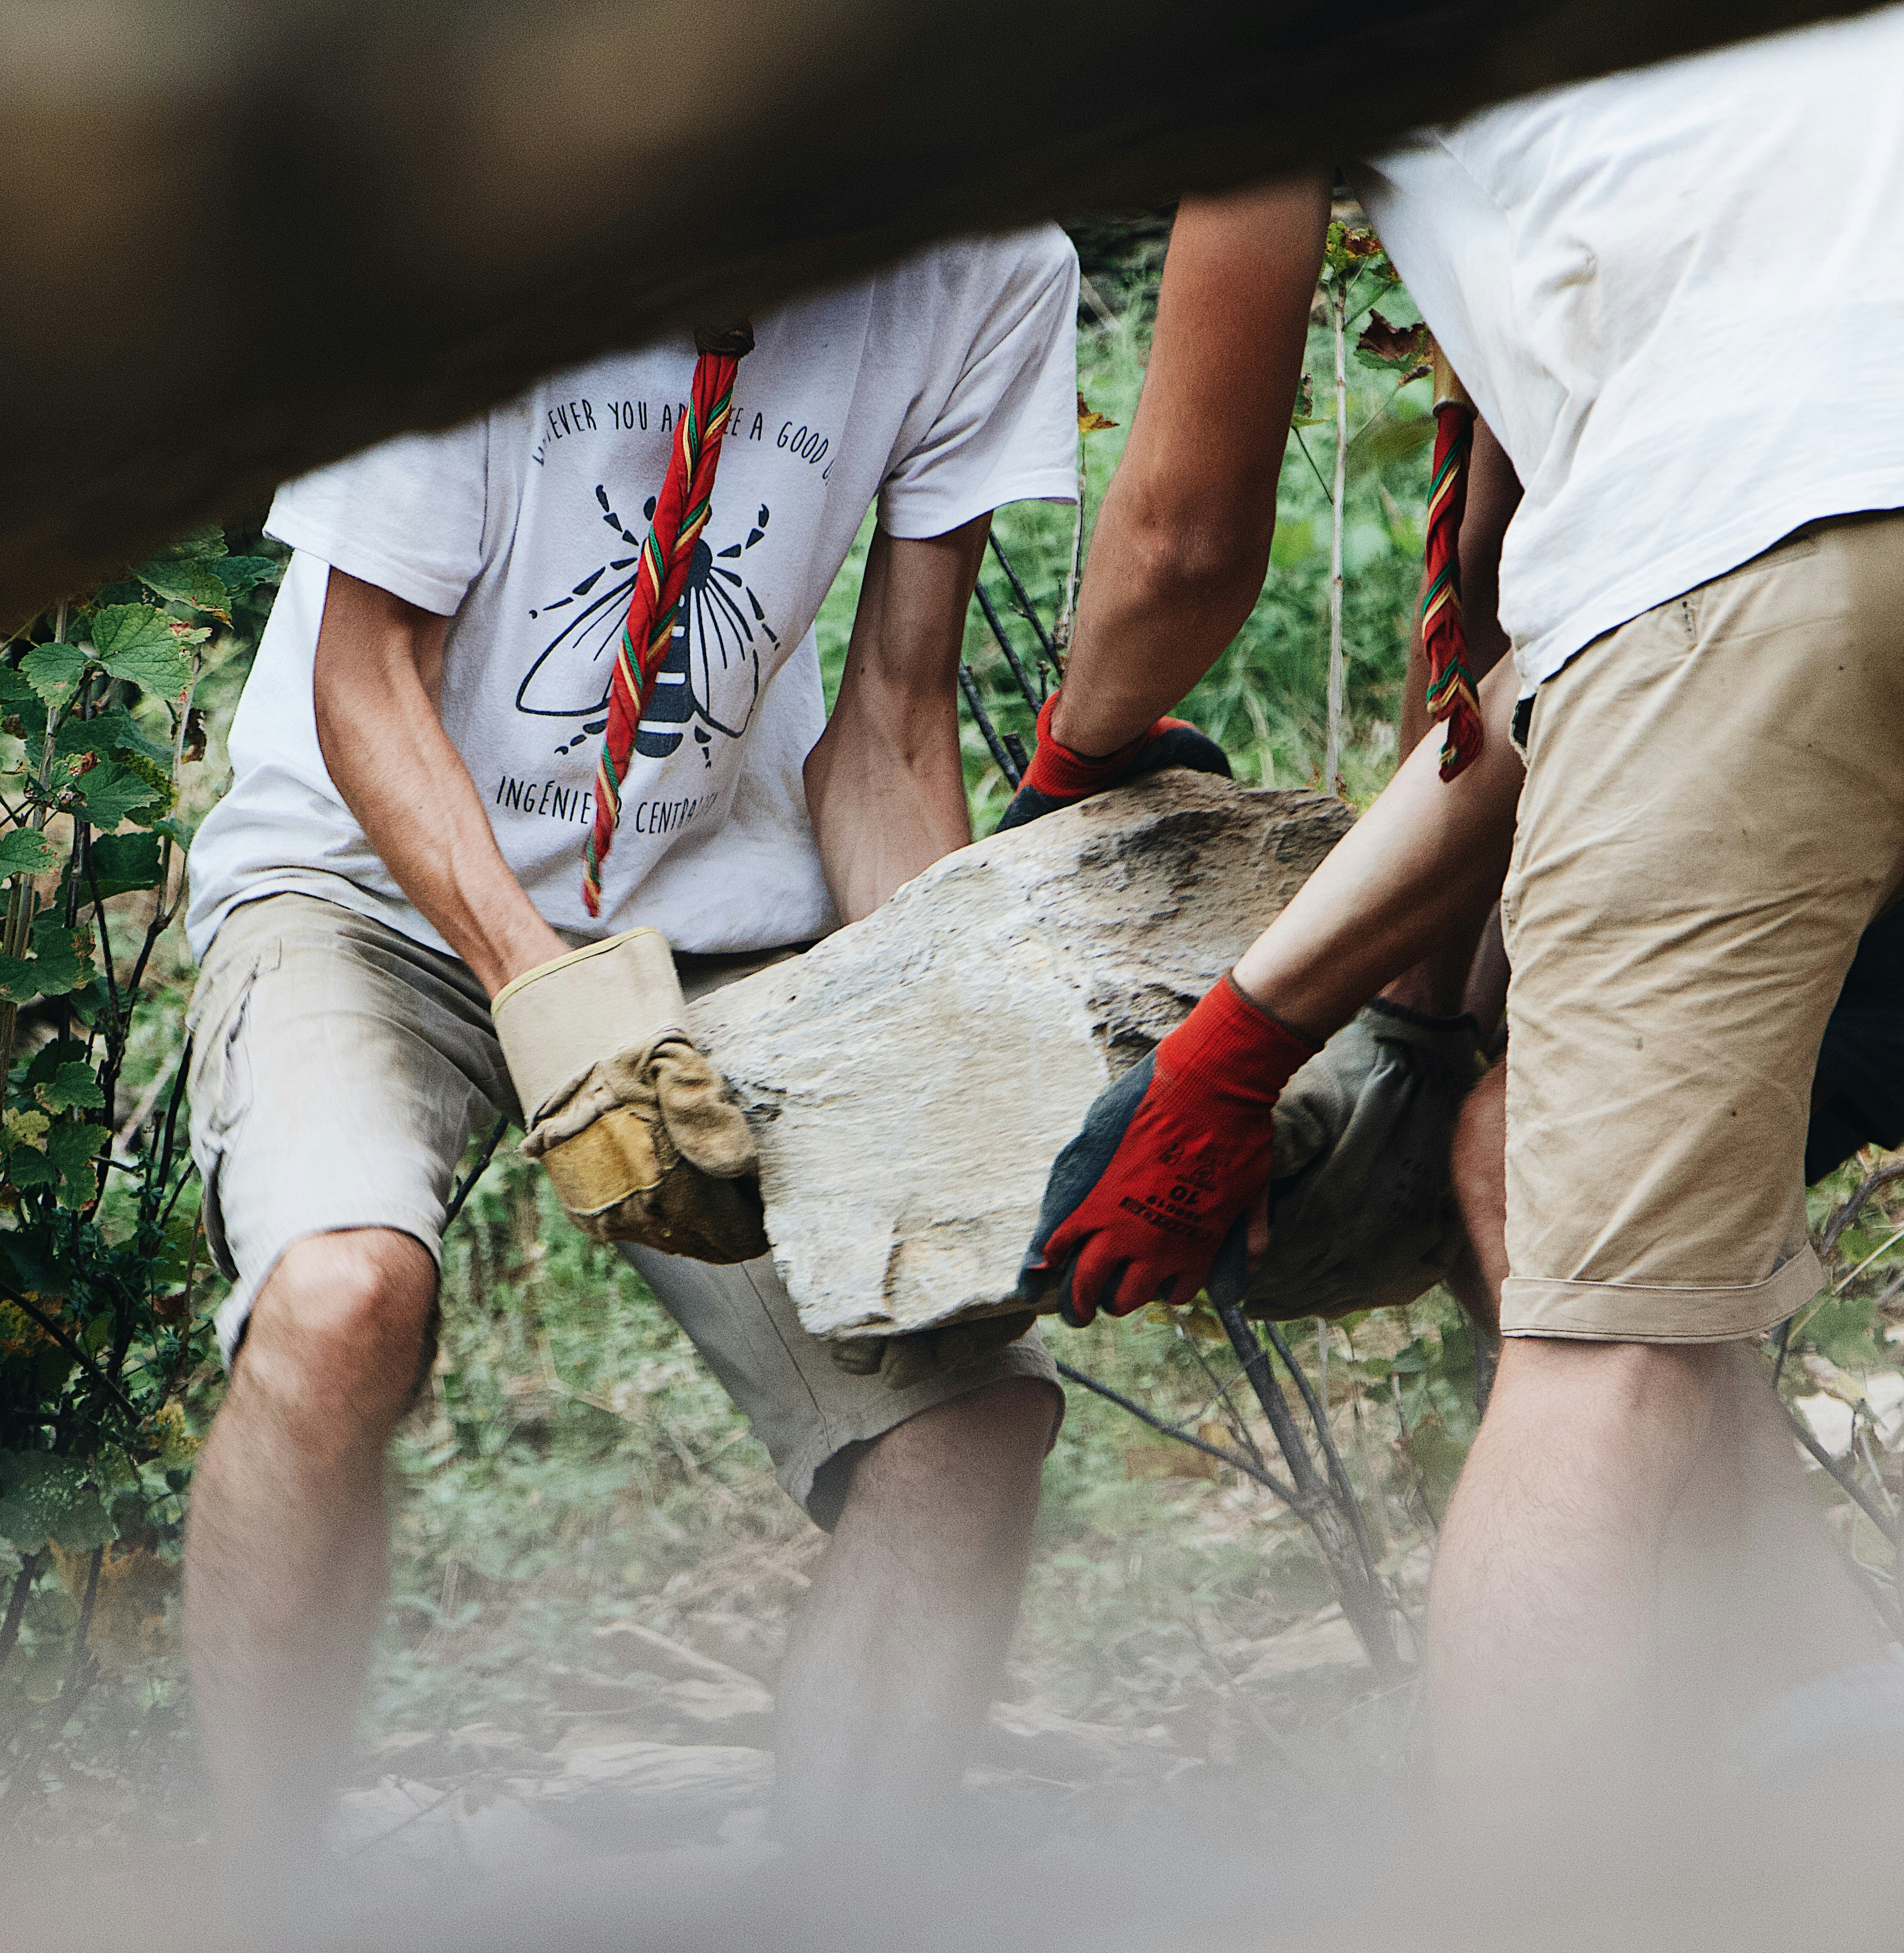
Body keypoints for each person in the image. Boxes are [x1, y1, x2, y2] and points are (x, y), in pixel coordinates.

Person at [1010, 0, 1904, 1807]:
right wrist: (1263, 1028)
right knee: (1517, 1149)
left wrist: (1082, 763)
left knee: (1609, 1357)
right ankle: (1871, 1800)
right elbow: (1553, 671)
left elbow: (1192, 540)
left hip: (1726, 571)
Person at [175, 224, 1206, 1886]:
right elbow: (363, 680)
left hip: (719, 905)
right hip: (357, 875)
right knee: (340, 1294)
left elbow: (891, 721)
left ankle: (845, 1904)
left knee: (967, 1424)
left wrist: (954, 1063)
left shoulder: (980, 263)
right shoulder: (485, 224)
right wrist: (559, 1012)